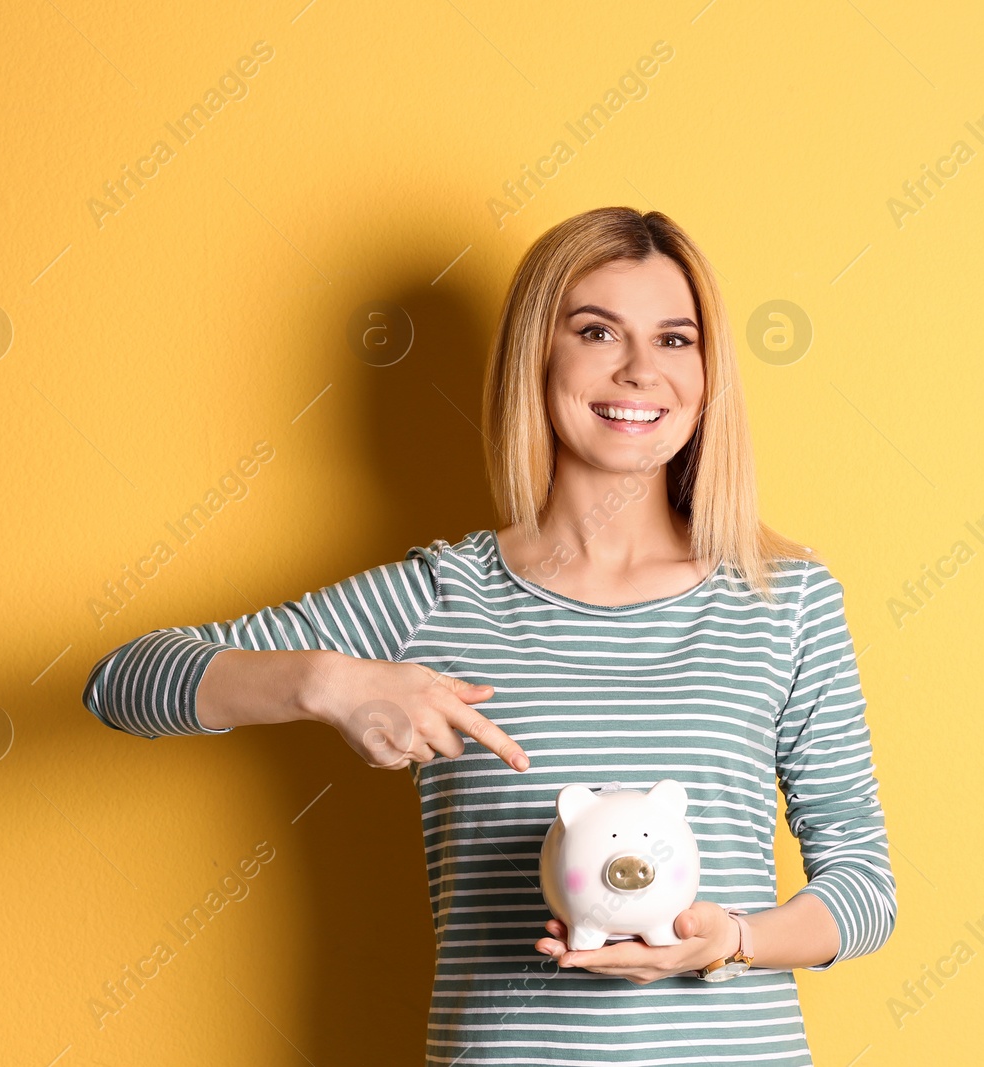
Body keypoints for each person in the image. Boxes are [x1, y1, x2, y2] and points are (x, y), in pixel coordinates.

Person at [81, 206, 897, 1064]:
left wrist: (730, 938)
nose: (638, 371)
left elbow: (865, 888)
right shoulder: (443, 595)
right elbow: (121, 683)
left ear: (708, 371)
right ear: (537, 357)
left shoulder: (785, 599)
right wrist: (328, 684)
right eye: (596, 331)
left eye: (674, 340)